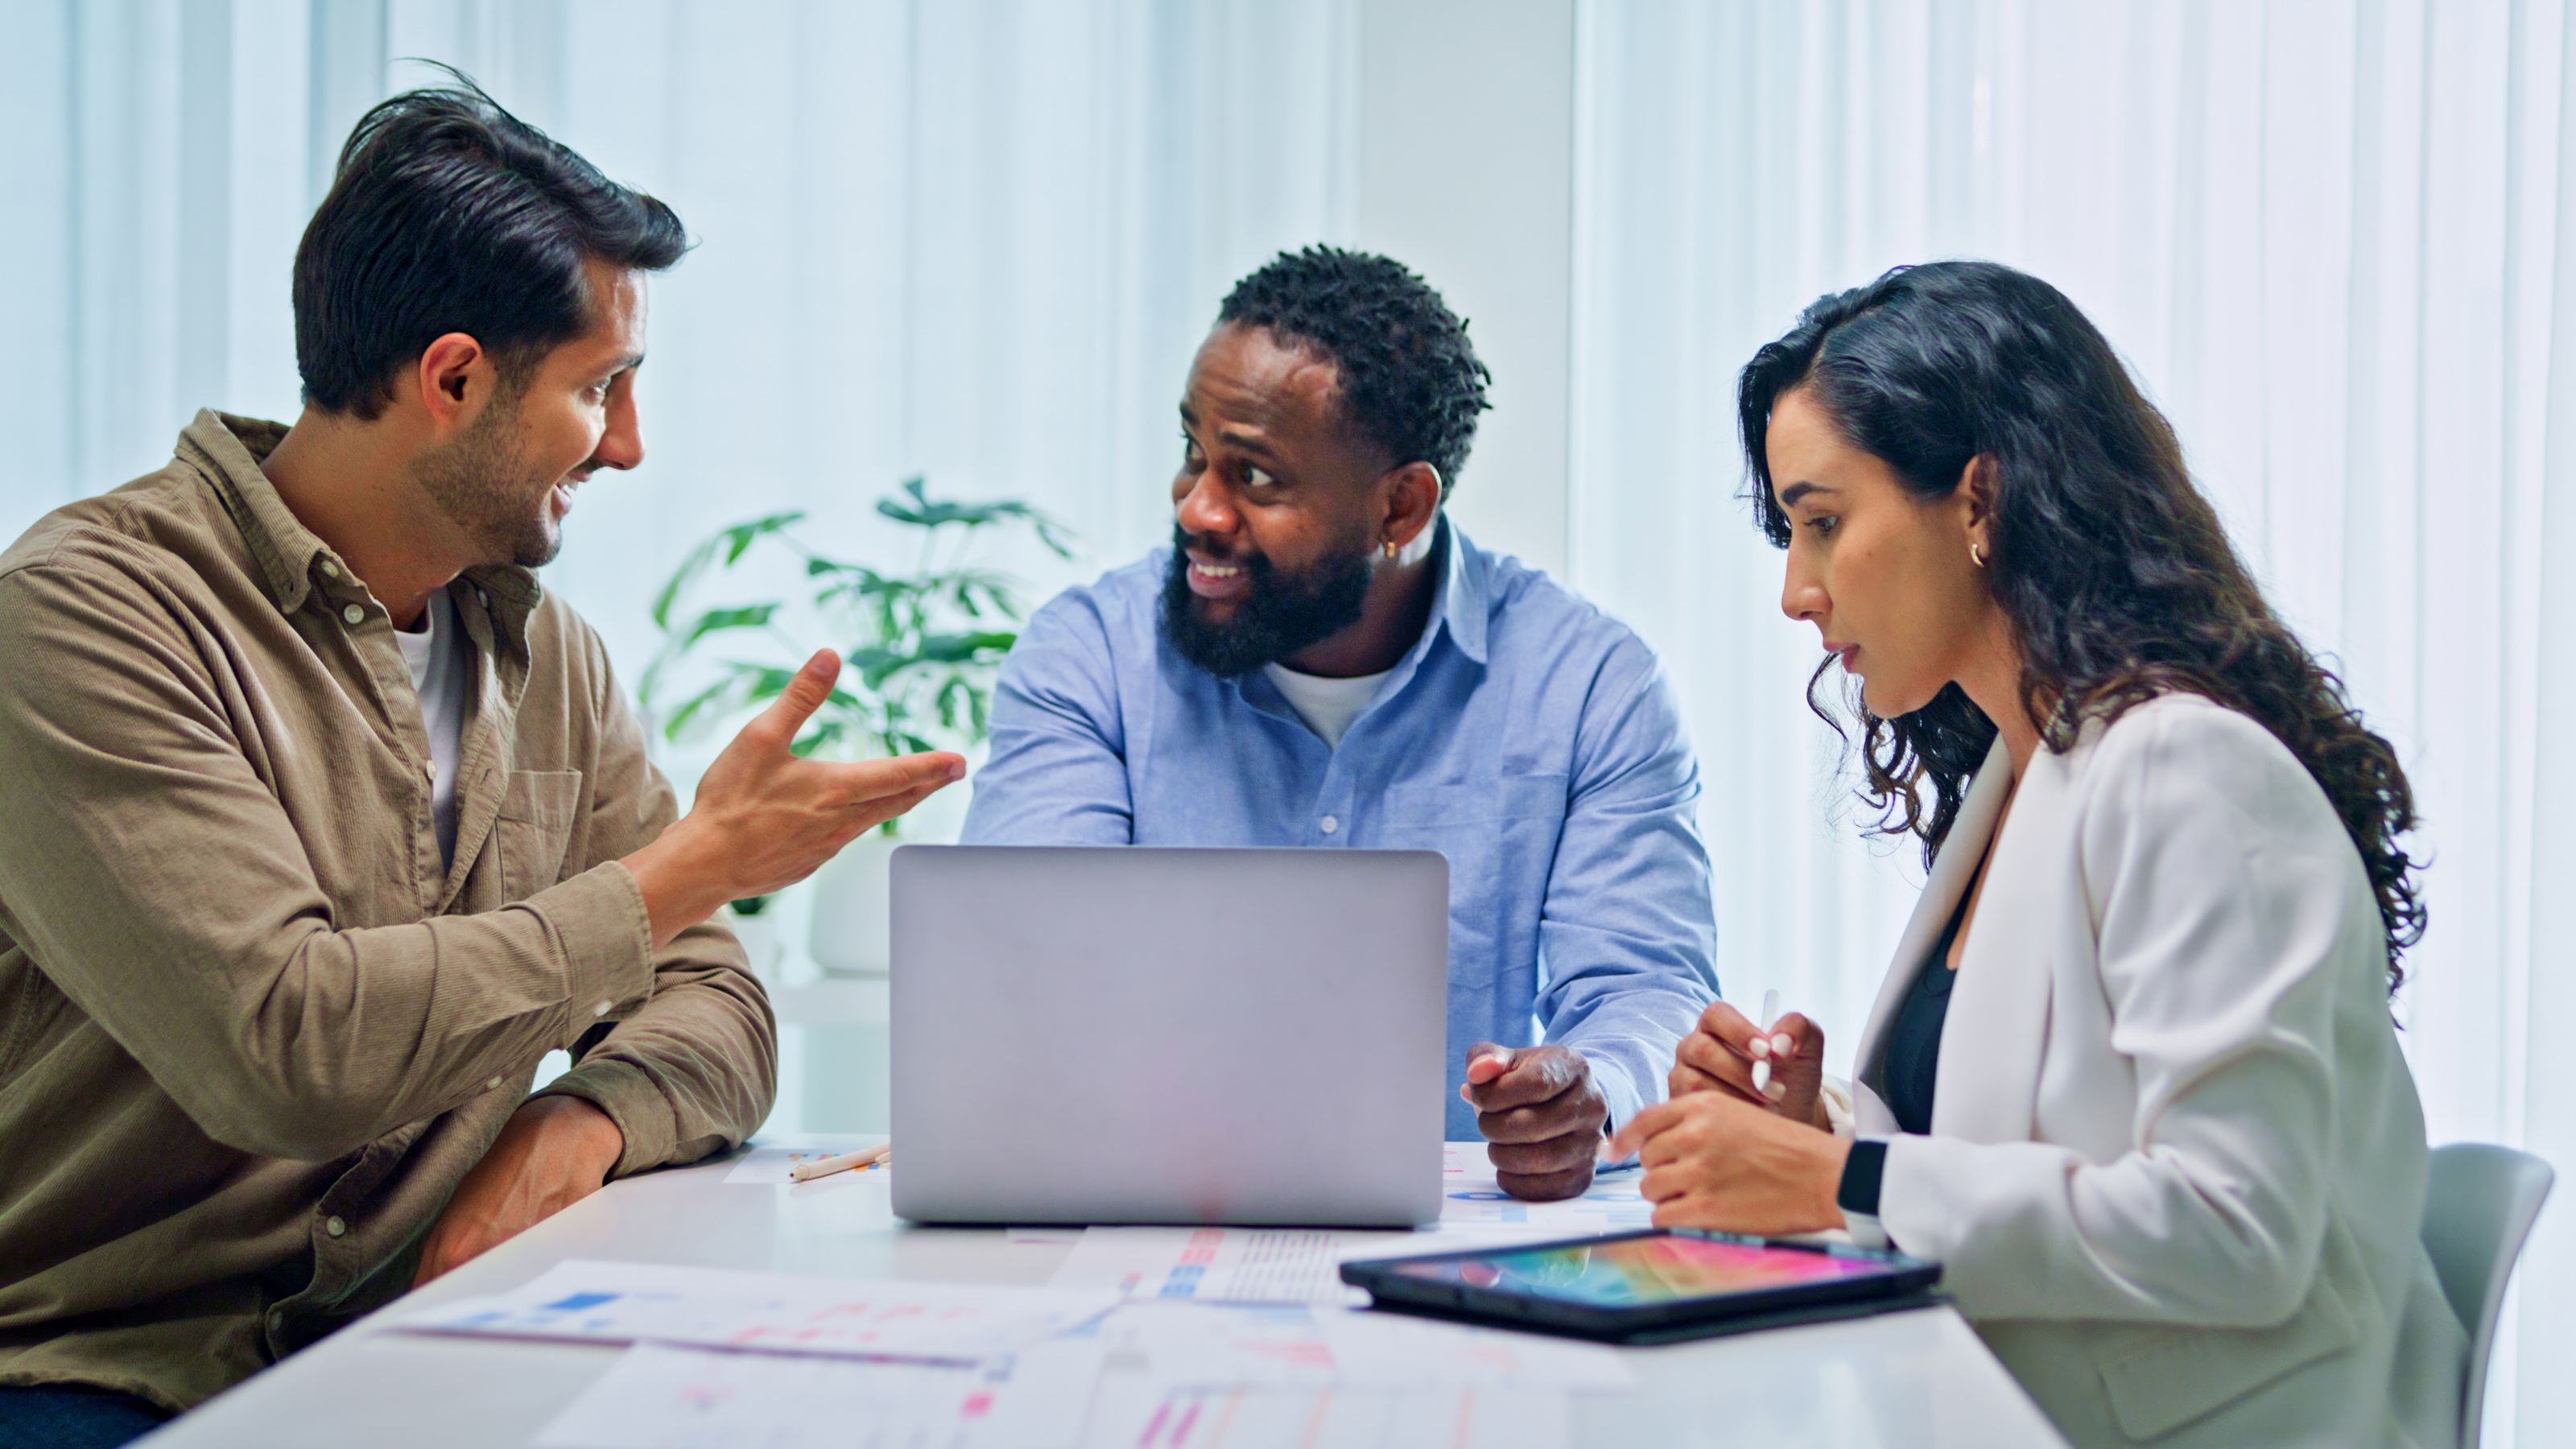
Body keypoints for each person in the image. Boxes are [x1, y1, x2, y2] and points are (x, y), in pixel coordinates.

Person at [0, 80, 961, 1445]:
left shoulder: (540, 652)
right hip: (100, 1372)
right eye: (600, 390)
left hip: (420, 1339)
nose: (628, 445)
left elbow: (716, 1005)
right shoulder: (88, 615)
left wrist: (579, 1126)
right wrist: (679, 872)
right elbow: (285, 1047)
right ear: (451, 381)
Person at [1612, 261, 2469, 1447]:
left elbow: (2241, 1233)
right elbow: (2024, 1157)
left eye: (1822, 523)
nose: (1795, 593)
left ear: (1980, 502)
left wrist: (1837, 1187)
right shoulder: (2023, 775)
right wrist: (1821, 1133)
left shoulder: (2185, 772)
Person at [964, 246, 1719, 1201]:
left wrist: (1590, 1092)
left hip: (1446, 1248)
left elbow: (1646, 987)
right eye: (1194, 452)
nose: (1198, 508)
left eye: (1256, 479)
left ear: (1399, 505)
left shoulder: (1587, 685)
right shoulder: (1090, 660)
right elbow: (1028, 978)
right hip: (1131, 1223)